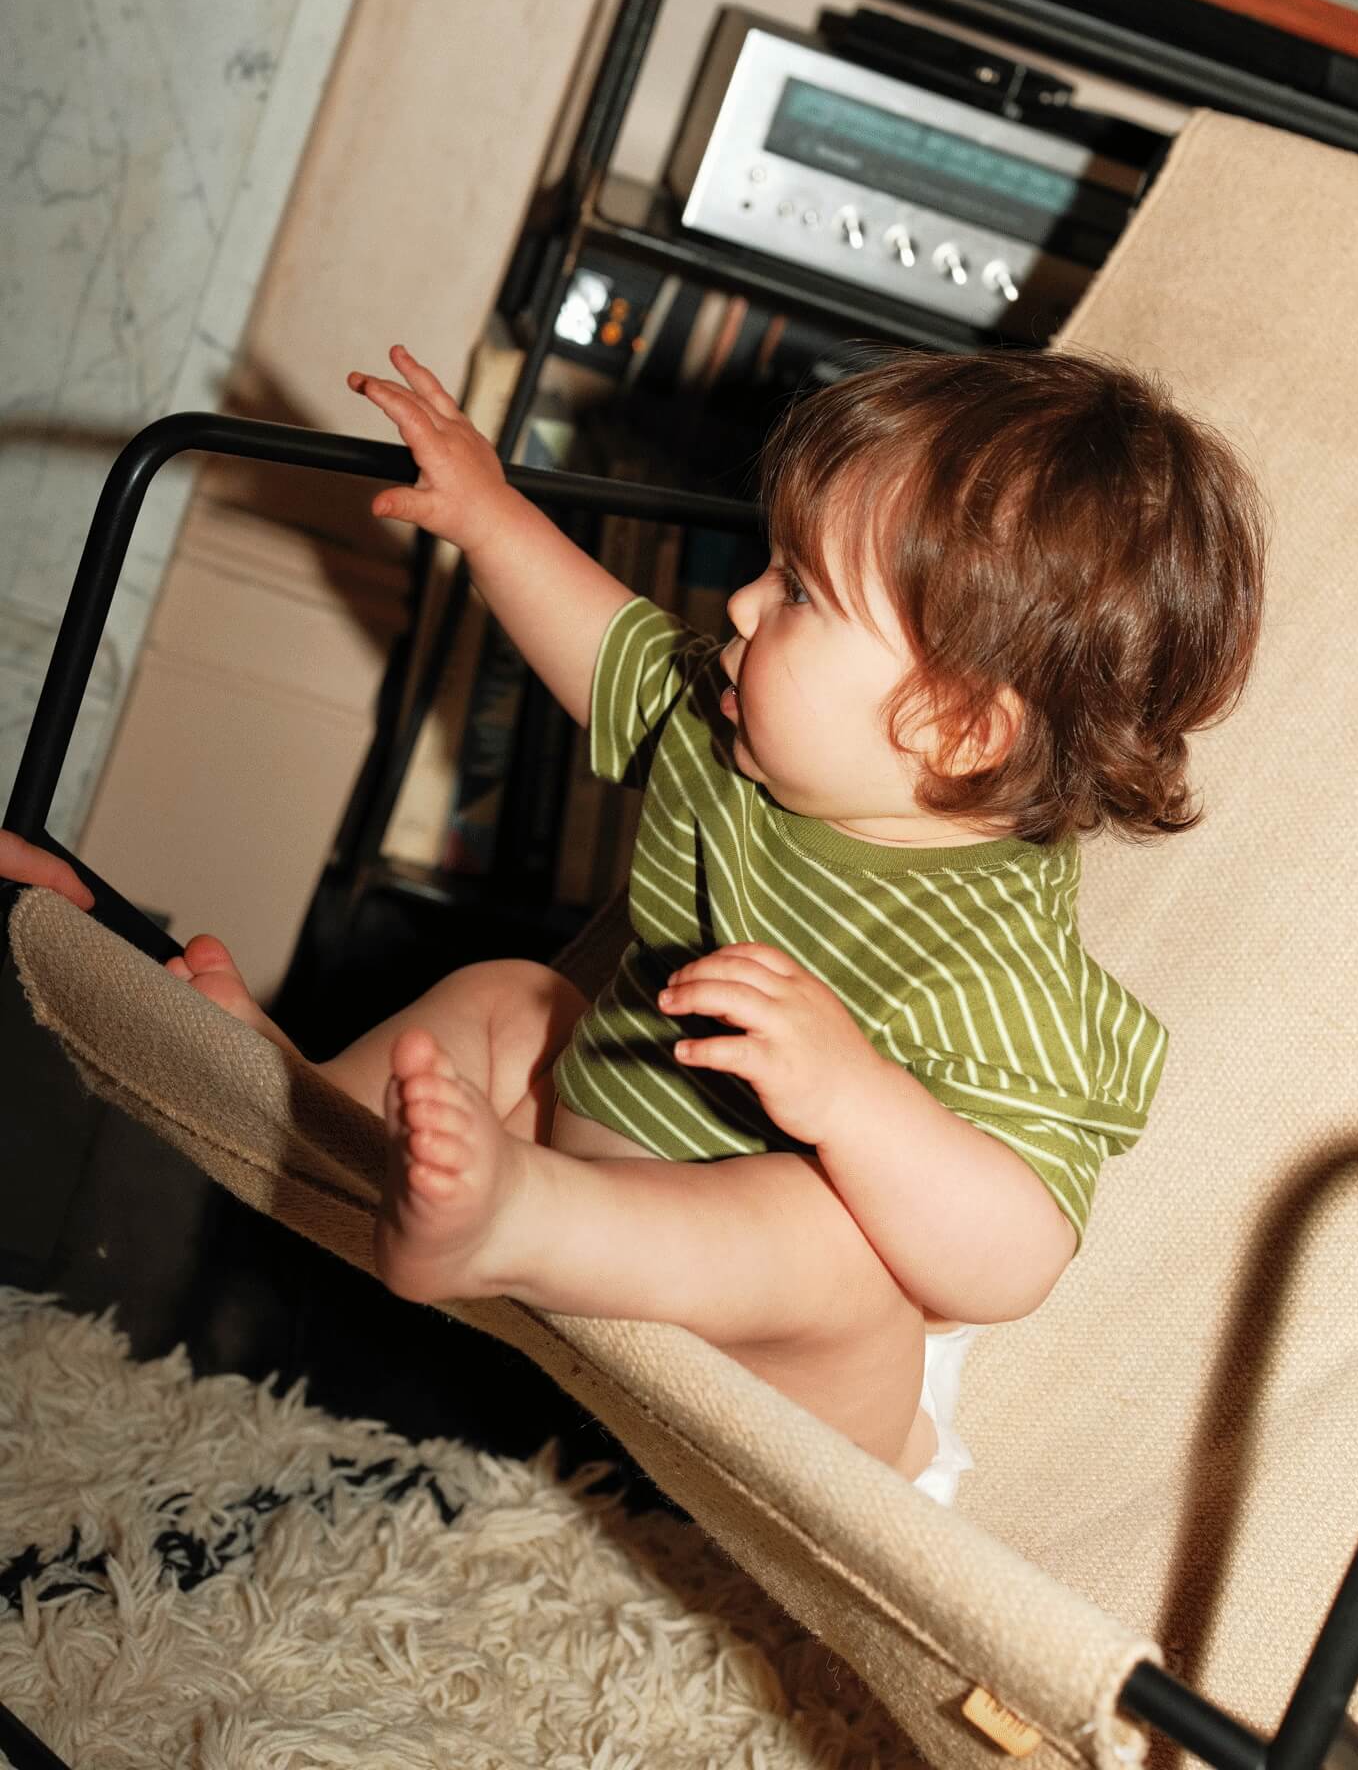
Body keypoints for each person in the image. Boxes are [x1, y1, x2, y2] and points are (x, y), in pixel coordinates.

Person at [11, 343, 1268, 1500]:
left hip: (799, 1409)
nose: (737, 604)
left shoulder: (995, 959)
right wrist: (490, 517)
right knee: (512, 1000)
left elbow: (1009, 1263)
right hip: (594, 1178)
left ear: (953, 728)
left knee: (827, 1243)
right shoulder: (742, 745)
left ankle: (506, 1219)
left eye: (798, 596)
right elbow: (605, 648)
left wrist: (852, 1099)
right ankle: (292, 1113)